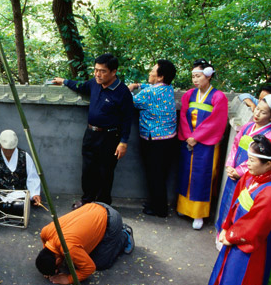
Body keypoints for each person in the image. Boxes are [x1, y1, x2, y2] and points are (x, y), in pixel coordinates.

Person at [205, 134, 271, 285]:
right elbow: (234, 203)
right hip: (234, 238)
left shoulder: (269, 193)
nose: (247, 164)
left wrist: (231, 236)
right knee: (226, 280)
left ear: (268, 164)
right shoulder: (249, 178)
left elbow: (257, 225)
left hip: (249, 248)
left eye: (252, 160)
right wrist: (226, 227)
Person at [52, 54, 134, 208]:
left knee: (105, 172)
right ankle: (87, 201)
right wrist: (64, 81)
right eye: (96, 70)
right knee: (88, 169)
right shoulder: (94, 84)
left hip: (110, 136)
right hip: (90, 134)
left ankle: (102, 205)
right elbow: (80, 86)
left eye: (102, 71)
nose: (97, 74)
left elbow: (127, 119)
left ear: (113, 72)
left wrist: (123, 142)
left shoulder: (122, 92)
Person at [177, 59, 228, 230]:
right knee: (186, 173)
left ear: (208, 76)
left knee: (202, 175)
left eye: (198, 76)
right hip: (189, 140)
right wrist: (188, 136)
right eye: (193, 76)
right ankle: (183, 208)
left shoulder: (218, 97)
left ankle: (198, 213)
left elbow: (216, 122)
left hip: (206, 143)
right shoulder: (189, 95)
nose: (195, 80)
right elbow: (183, 116)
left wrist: (197, 137)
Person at [35, 202, 134, 284]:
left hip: (111, 220)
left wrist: (69, 279)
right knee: (79, 257)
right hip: (93, 206)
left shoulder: (69, 247)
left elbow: (89, 268)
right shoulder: (44, 232)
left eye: (57, 268)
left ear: (57, 261)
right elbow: (46, 249)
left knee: (101, 263)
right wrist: (47, 268)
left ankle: (124, 235)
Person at [128, 60, 177, 218]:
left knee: (154, 175)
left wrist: (130, 89)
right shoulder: (168, 88)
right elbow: (149, 86)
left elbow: (130, 101)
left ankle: (159, 209)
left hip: (154, 140)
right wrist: (137, 85)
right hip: (169, 139)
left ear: (160, 77)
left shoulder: (150, 93)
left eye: (153, 71)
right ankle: (155, 203)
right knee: (160, 175)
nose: (150, 72)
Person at [216, 95, 271, 237]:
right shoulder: (247, 127)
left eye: (263, 112)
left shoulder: (268, 136)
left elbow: (257, 160)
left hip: (248, 175)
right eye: (257, 109)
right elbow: (235, 145)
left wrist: (239, 171)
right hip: (233, 171)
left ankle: (231, 235)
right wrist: (230, 165)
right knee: (227, 201)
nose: (257, 114)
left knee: (239, 206)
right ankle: (221, 231)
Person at [0, 129, 42, 205]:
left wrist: (34, 194)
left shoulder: (25, 156)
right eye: (6, 149)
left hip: (19, 194)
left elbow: (32, 177)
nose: (8, 152)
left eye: (11, 149)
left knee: (19, 205)